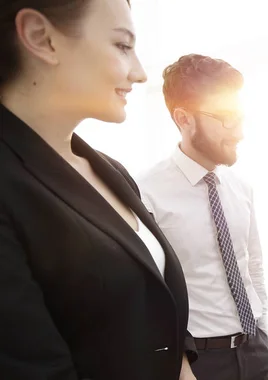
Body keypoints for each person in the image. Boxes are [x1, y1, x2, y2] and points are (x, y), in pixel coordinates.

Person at [0, 1, 196, 379]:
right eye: (123, 46)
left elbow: (157, 308)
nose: (139, 73)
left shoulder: (111, 172)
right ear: (42, 39)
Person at [138, 54, 268, 380]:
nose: (238, 132)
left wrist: (262, 324)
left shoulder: (241, 187)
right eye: (226, 118)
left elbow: (252, 264)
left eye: (240, 117)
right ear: (183, 118)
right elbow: (148, 294)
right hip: (198, 362)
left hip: (255, 350)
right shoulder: (144, 192)